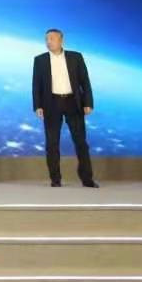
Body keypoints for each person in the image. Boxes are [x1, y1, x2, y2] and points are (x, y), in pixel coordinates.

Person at [32, 28, 98, 188]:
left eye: (52, 39)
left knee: (81, 142)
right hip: (51, 103)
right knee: (52, 143)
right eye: (46, 39)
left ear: (61, 40)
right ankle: (55, 179)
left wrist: (88, 103)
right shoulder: (40, 60)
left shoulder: (76, 57)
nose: (48, 42)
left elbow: (85, 82)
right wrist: (38, 105)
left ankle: (87, 179)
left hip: (73, 102)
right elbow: (36, 85)